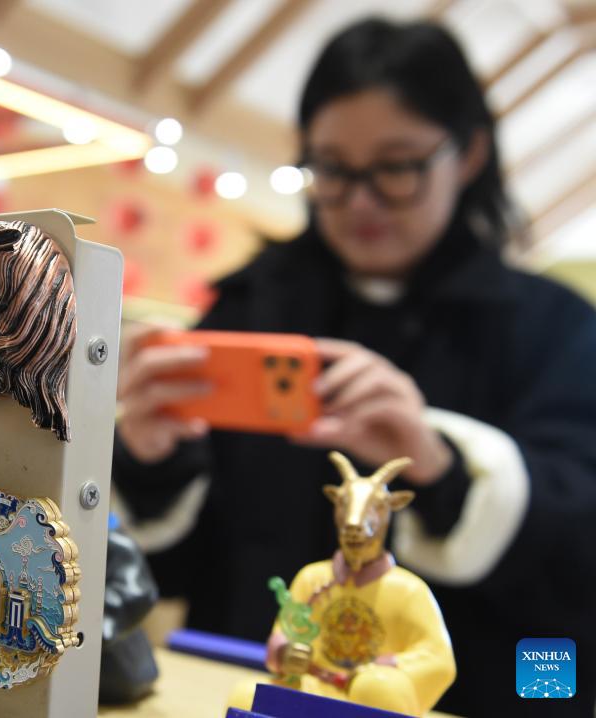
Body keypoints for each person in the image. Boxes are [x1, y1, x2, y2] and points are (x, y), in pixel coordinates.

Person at [113, 18, 596, 717]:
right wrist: (148, 464)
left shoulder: (556, 329)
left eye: (396, 167)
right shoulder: (247, 309)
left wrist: (442, 469)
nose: (361, 201)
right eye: (333, 169)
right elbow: (170, 573)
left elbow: (578, 557)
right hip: (253, 691)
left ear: (468, 154)